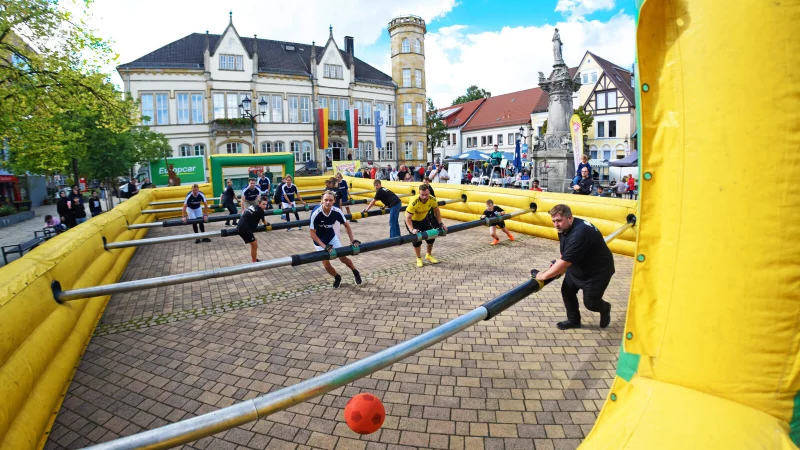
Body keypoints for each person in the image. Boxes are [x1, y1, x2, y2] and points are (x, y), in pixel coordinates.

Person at [535, 204, 614, 330]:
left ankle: (605, 308)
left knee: (591, 303)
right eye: (554, 221)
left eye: (559, 220)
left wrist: (543, 275)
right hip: (578, 266)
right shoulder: (564, 229)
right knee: (567, 291)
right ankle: (574, 320)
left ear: (570, 218)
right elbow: (565, 254)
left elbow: (565, 262)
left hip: (597, 272)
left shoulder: (581, 232)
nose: (556, 224)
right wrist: (557, 262)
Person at [309, 191, 362, 288]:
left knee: (343, 258)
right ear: (322, 201)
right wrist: (325, 247)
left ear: (334, 201)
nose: (328, 202)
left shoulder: (336, 211)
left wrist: (352, 240)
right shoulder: (316, 213)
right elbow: (312, 233)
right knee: (326, 265)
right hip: (319, 241)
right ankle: (337, 277)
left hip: (331, 237)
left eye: (330, 200)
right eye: (326, 200)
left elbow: (347, 225)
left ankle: (355, 271)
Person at [404, 184, 447, 268]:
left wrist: (441, 223)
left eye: (426, 195)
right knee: (417, 240)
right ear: (419, 193)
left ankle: (428, 255)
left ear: (429, 193)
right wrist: (412, 229)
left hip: (423, 219)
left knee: (432, 236)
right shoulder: (414, 201)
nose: (424, 197)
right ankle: (419, 258)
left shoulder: (432, 199)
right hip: (413, 221)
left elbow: (437, 210)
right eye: (422, 195)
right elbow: (408, 218)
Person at [237, 197, 270, 263]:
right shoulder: (260, 211)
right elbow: (264, 222)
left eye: (266, 204)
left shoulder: (253, 206)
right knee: (254, 245)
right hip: (245, 229)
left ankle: (254, 259)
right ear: (259, 203)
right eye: (263, 204)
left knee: (255, 242)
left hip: (241, 226)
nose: (265, 206)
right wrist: (268, 225)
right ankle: (254, 261)